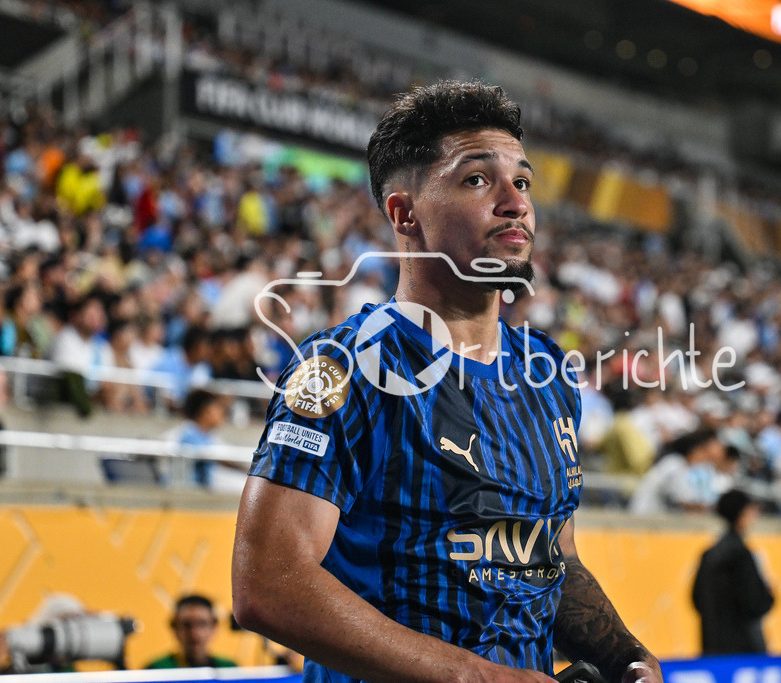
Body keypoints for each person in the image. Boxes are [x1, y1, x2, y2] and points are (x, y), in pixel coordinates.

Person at [232, 81, 662, 683]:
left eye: (523, 182)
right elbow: (268, 585)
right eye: (478, 179)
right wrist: (478, 677)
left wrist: (627, 657)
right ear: (404, 213)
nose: (515, 203)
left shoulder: (547, 372)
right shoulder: (342, 367)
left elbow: (551, 558)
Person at [692, 489, 775, 655]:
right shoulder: (742, 555)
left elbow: (696, 598)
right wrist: (769, 594)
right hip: (744, 649)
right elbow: (755, 603)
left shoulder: (709, 554)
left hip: (712, 644)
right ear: (742, 514)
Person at [145, 595, 237, 669]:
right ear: (174, 628)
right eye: (186, 625)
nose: (194, 633)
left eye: (202, 624)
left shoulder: (228, 669)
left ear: (214, 627)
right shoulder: (157, 670)